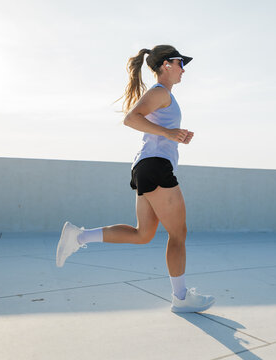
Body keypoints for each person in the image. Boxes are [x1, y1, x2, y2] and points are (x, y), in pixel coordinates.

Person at [55, 45, 215, 313]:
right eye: (179, 63)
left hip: (145, 167)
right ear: (166, 64)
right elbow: (131, 119)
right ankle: (181, 297)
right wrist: (168, 133)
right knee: (178, 233)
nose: (183, 69)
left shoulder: (163, 96)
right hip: (154, 167)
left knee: (143, 234)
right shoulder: (159, 92)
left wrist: (173, 135)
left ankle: (79, 237)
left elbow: (149, 126)